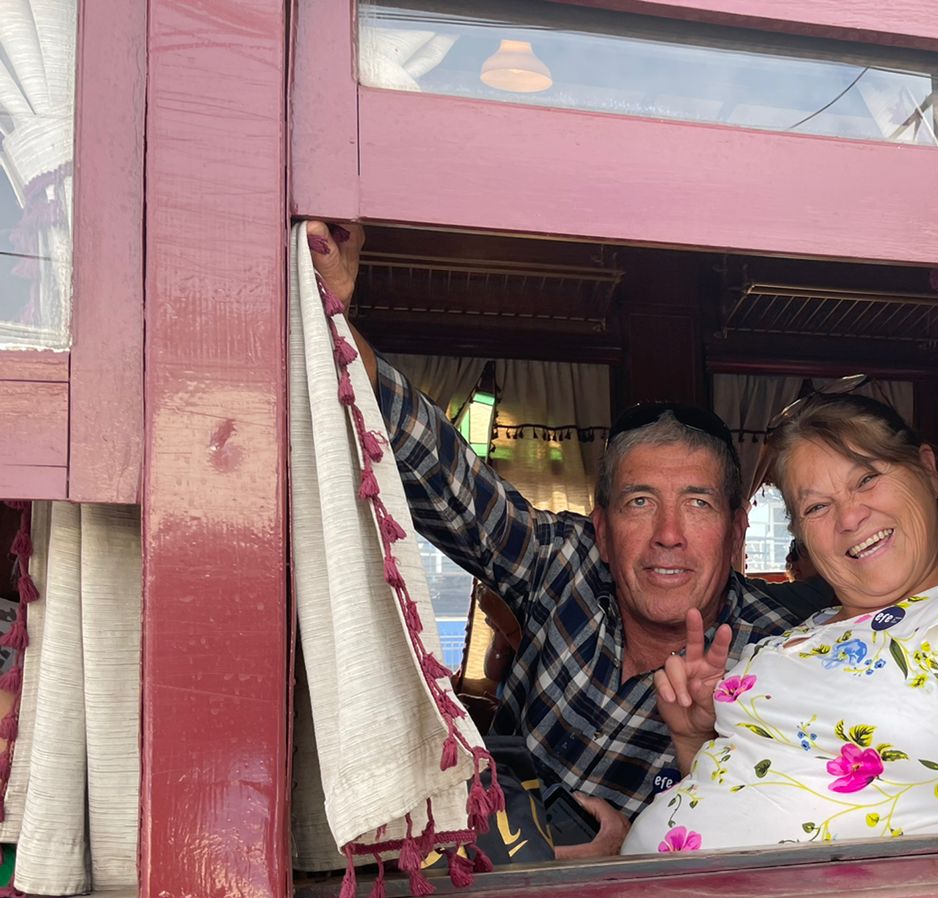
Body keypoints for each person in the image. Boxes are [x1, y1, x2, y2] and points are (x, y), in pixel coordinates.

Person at [307, 221, 831, 857]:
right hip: (494, 862)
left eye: (697, 504)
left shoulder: (787, 650)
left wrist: (622, 857)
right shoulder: (563, 564)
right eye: (641, 503)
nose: (669, 535)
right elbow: (426, 456)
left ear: (737, 530)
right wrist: (327, 307)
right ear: (603, 531)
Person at [621, 267, 938, 854]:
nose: (848, 517)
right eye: (816, 506)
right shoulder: (795, 637)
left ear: (926, 467)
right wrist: (692, 737)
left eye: (867, 478)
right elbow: (738, 792)